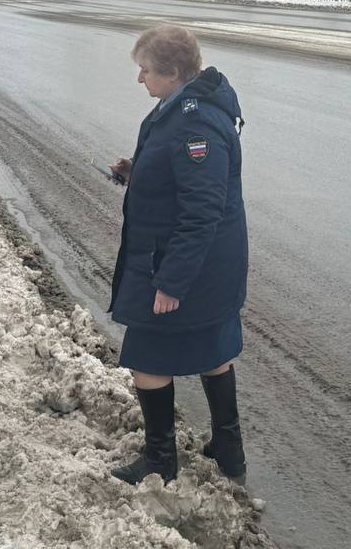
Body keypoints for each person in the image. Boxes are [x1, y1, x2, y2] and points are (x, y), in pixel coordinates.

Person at [107, 26, 249, 486]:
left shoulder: (196, 122)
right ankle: (229, 450)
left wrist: (172, 282)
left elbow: (203, 209)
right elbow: (184, 183)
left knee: (147, 356)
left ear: (170, 73)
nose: (139, 79)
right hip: (202, 263)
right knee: (213, 347)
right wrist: (138, 174)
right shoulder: (177, 107)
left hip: (186, 264)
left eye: (145, 70)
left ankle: (160, 460)